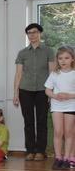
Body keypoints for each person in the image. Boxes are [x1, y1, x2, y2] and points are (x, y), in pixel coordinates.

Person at [14, 23, 56, 161]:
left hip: (43, 90)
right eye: (29, 33)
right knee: (28, 121)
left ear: (40, 33)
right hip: (25, 90)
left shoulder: (48, 51)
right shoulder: (22, 53)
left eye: (34, 32)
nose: (32, 35)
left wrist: (51, 92)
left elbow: (52, 72)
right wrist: (15, 93)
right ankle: (30, 150)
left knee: (42, 121)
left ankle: (40, 151)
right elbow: (18, 74)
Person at [44, 46, 75, 169]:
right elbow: (47, 90)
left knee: (68, 132)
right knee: (58, 132)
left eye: (66, 58)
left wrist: (69, 96)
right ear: (57, 60)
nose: (63, 61)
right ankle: (58, 158)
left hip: (71, 105)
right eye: (60, 58)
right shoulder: (54, 74)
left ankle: (67, 158)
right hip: (57, 106)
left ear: (72, 59)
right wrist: (55, 96)